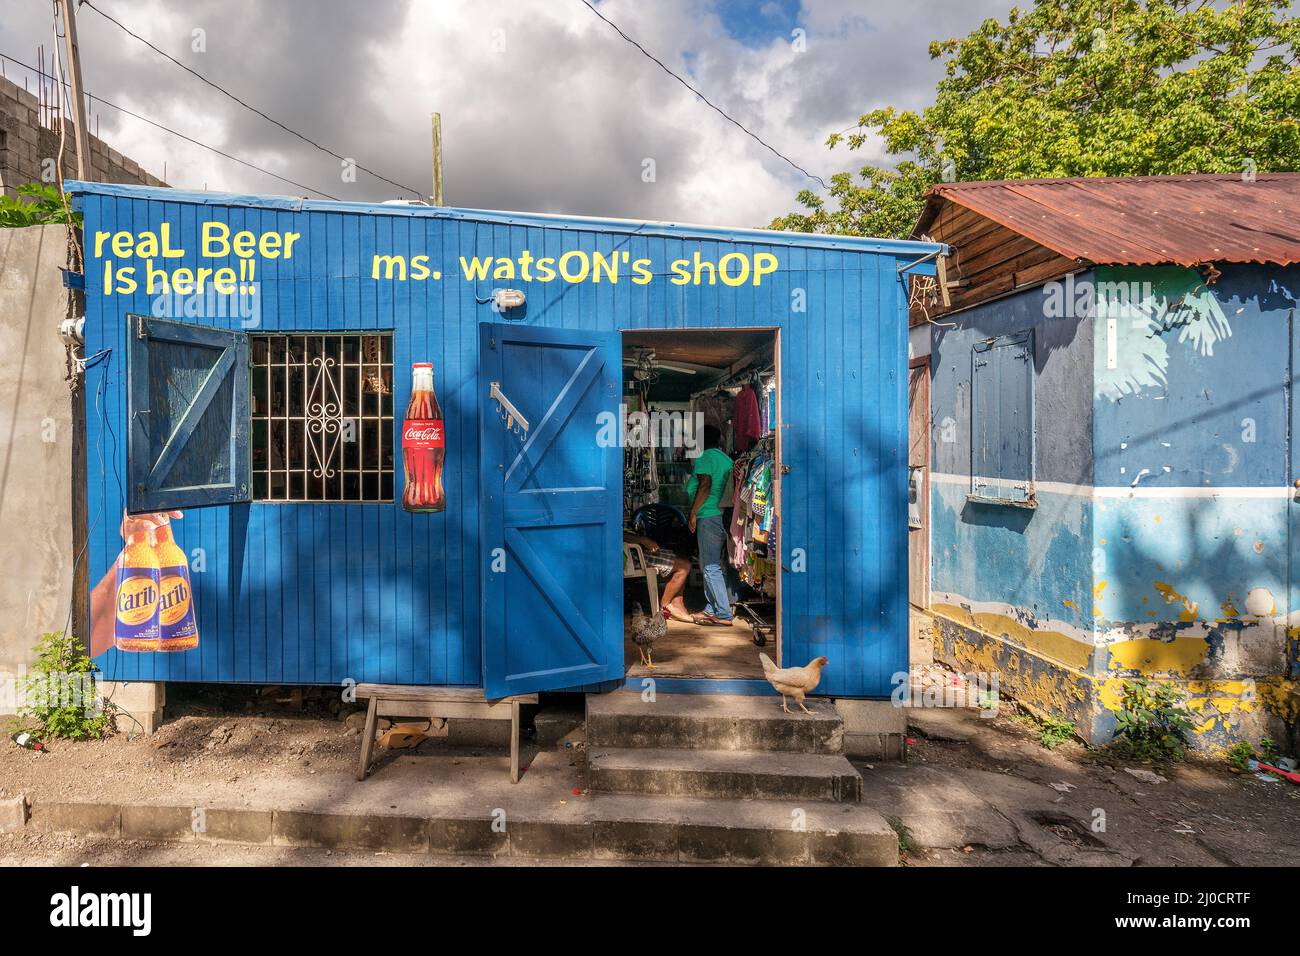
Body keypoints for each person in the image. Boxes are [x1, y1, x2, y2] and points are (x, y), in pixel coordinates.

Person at [686, 424, 734, 626]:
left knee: (710, 566)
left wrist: (693, 513)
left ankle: (723, 613)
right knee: (715, 564)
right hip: (722, 515)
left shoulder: (705, 457)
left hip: (708, 514)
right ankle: (711, 608)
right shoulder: (726, 458)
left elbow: (705, 485)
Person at [623, 530, 692, 622]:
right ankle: (665, 607)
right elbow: (616, 532)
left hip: (634, 550)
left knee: (682, 558)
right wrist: (642, 540)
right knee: (684, 566)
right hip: (630, 555)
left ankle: (677, 603)